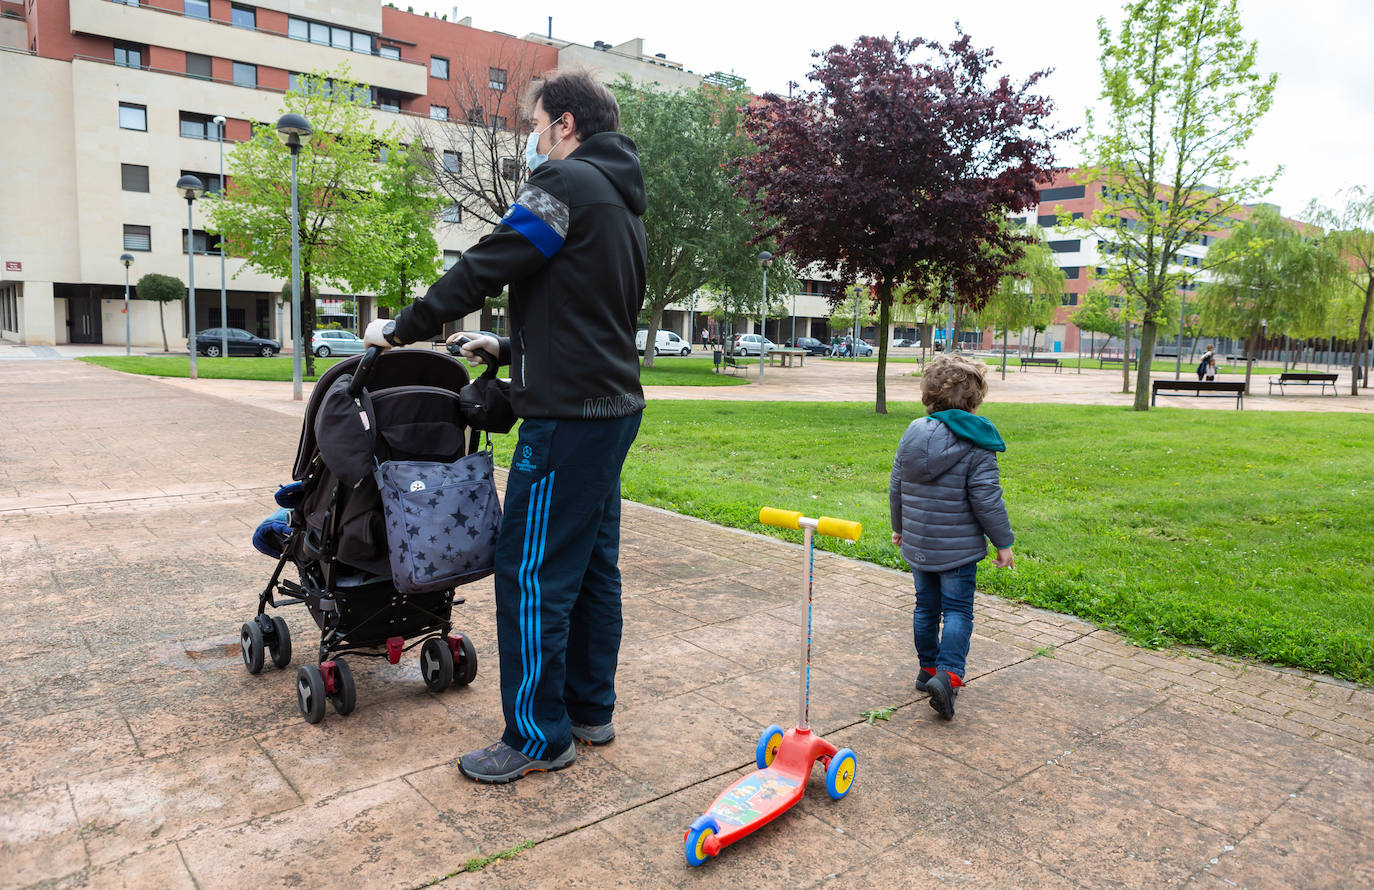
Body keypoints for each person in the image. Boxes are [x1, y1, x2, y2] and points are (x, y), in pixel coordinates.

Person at [364, 70, 647, 784]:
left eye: (537, 121)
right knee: (591, 569)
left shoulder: (567, 184)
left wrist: (404, 328)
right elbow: (589, 316)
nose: (532, 136)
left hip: (568, 422)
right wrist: (513, 350)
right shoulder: (622, 203)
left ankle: (535, 737)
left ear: (566, 126)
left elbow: (488, 264)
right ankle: (588, 709)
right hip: (610, 411)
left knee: (530, 573)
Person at [888, 354, 1014, 720]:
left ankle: (928, 669)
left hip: (919, 544)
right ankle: (948, 674)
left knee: (925, 608)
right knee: (957, 610)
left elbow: (896, 486)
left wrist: (900, 526)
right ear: (974, 401)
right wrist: (1002, 542)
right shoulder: (977, 442)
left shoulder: (912, 432)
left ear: (929, 396)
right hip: (958, 553)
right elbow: (987, 500)